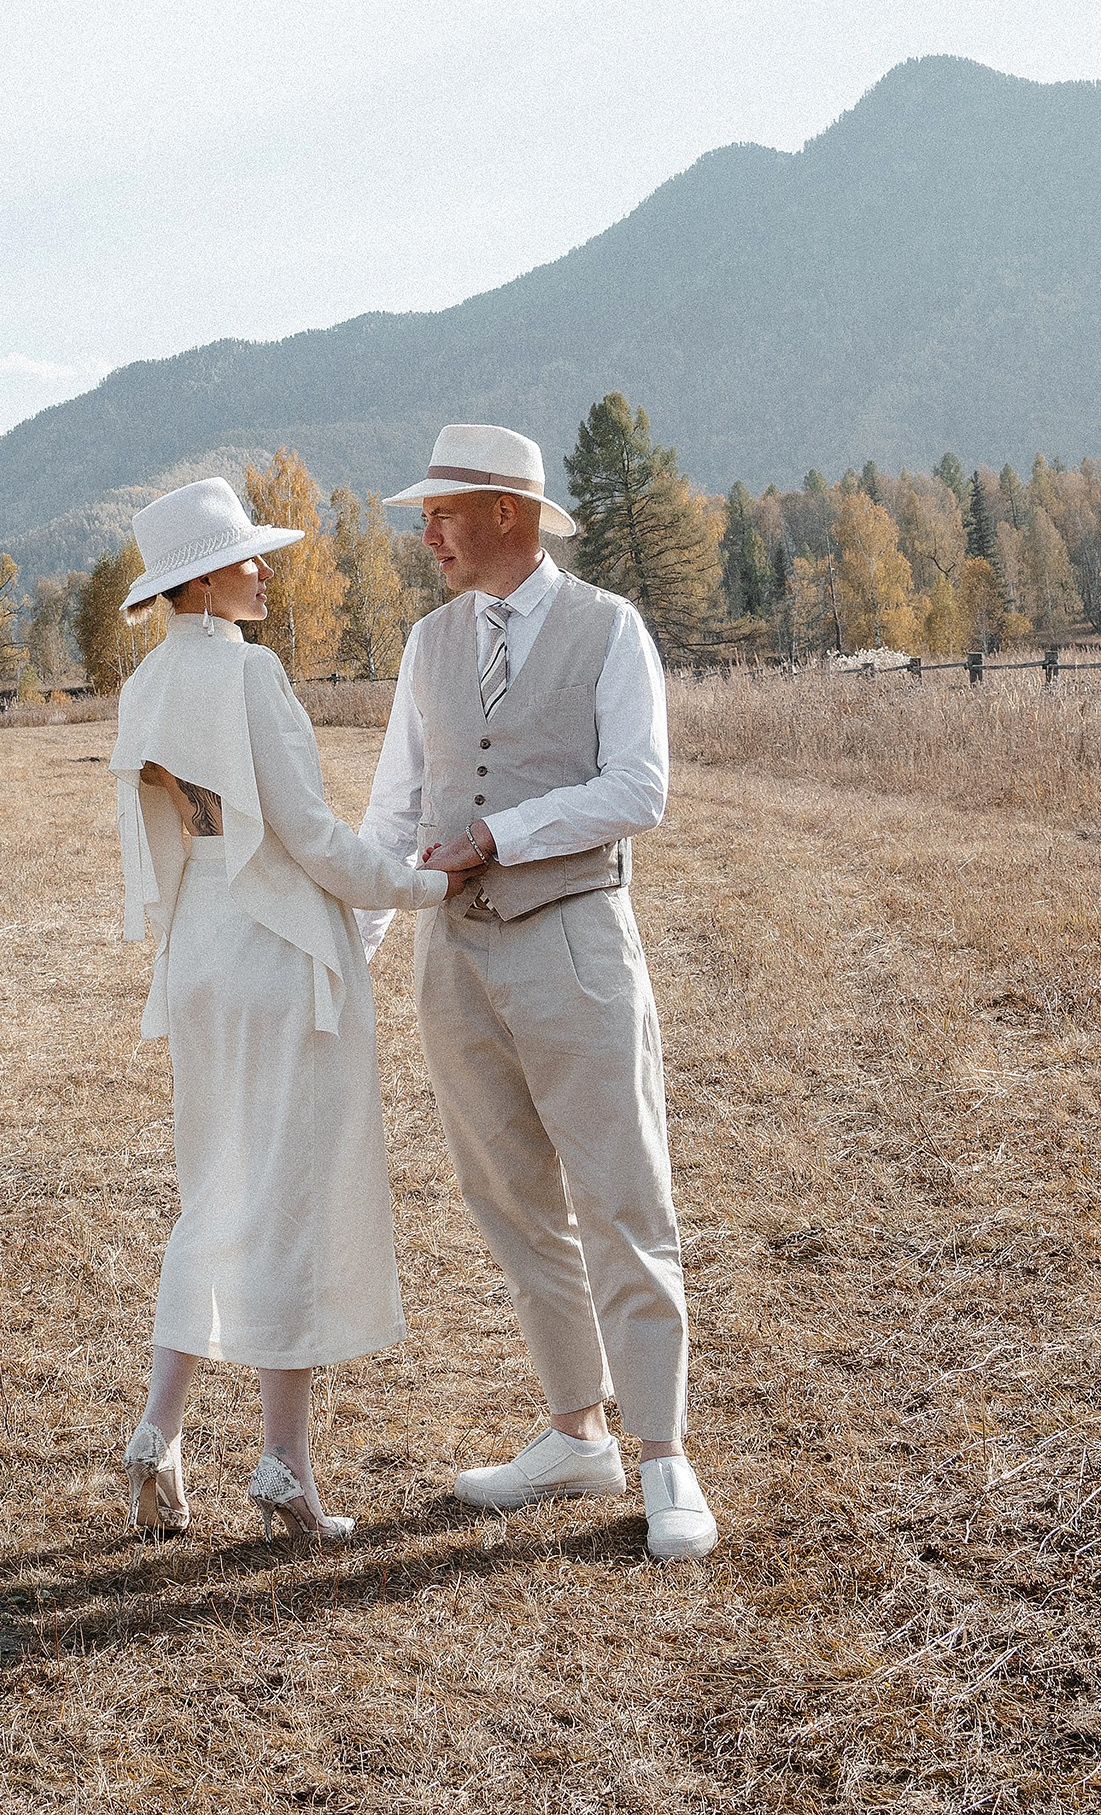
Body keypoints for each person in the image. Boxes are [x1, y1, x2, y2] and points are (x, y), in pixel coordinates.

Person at [359, 421, 717, 1563]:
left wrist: (501, 835)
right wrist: (352, 944)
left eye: (442, 514)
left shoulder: (610, 628)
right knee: (511, 1204)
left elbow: (639, 789)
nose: (428, 536)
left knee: (623, 1195)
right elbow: (396, 811)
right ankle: (575, 1435)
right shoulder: (426, 644)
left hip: (573, 942)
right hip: (453, 963)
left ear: (503, 513)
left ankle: (662, 1455)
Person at [110, 475, 449, 1543]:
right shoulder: (249, 675)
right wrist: (424, 882)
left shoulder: (145, 687)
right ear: (203, 577)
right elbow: (307, 834)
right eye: (249, 557)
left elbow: (175, 840)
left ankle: (159, 1431)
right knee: (290, 1197)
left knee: (213, 1185)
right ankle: (284, 1465)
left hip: (198, 949)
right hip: (277, 952)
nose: (265, 570)